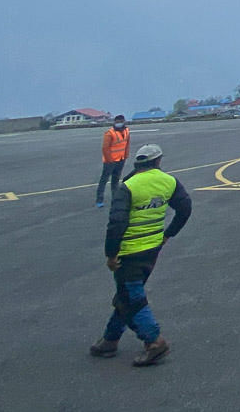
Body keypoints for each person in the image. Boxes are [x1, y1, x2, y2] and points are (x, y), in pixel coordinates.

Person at [89, 144, 192, 366]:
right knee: (126, 294)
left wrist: (111, 254)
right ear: (158, 161)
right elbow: (185, 209)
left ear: (137, 163)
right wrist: (168, 234)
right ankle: (110, 339)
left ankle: (155, 342)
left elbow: (116, 223)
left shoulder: (128, 186)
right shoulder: (169, 182)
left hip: (129, 252)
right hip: (152, 249)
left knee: (133, 298)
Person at [96, 115, 131, 208]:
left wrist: (126, 155)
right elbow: (105, 148)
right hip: (110, 161)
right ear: (114, 122)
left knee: (115, 179)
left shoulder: (126, 131)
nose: (119, 123)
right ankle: (99, 199)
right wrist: (109, 160)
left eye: (121, 121)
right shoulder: (109, 133)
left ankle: (115, 198)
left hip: (121, 159)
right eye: (118, 121)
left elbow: (127, 144)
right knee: (104, 179)